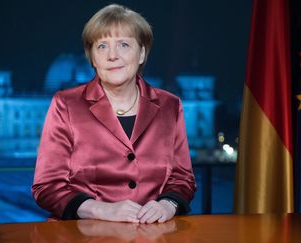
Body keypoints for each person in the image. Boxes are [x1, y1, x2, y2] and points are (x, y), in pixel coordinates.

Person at [32, 4, 196, 224]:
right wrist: (100, 210)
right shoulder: (66, 104)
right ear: (92, 58)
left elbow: (182, 179)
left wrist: (168, 204)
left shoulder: (170, 105)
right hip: (82, 235)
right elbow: (47, 186)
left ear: (142, 53)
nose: (112, 56)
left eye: (124, 45)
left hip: (153, 234)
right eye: (101, 46)